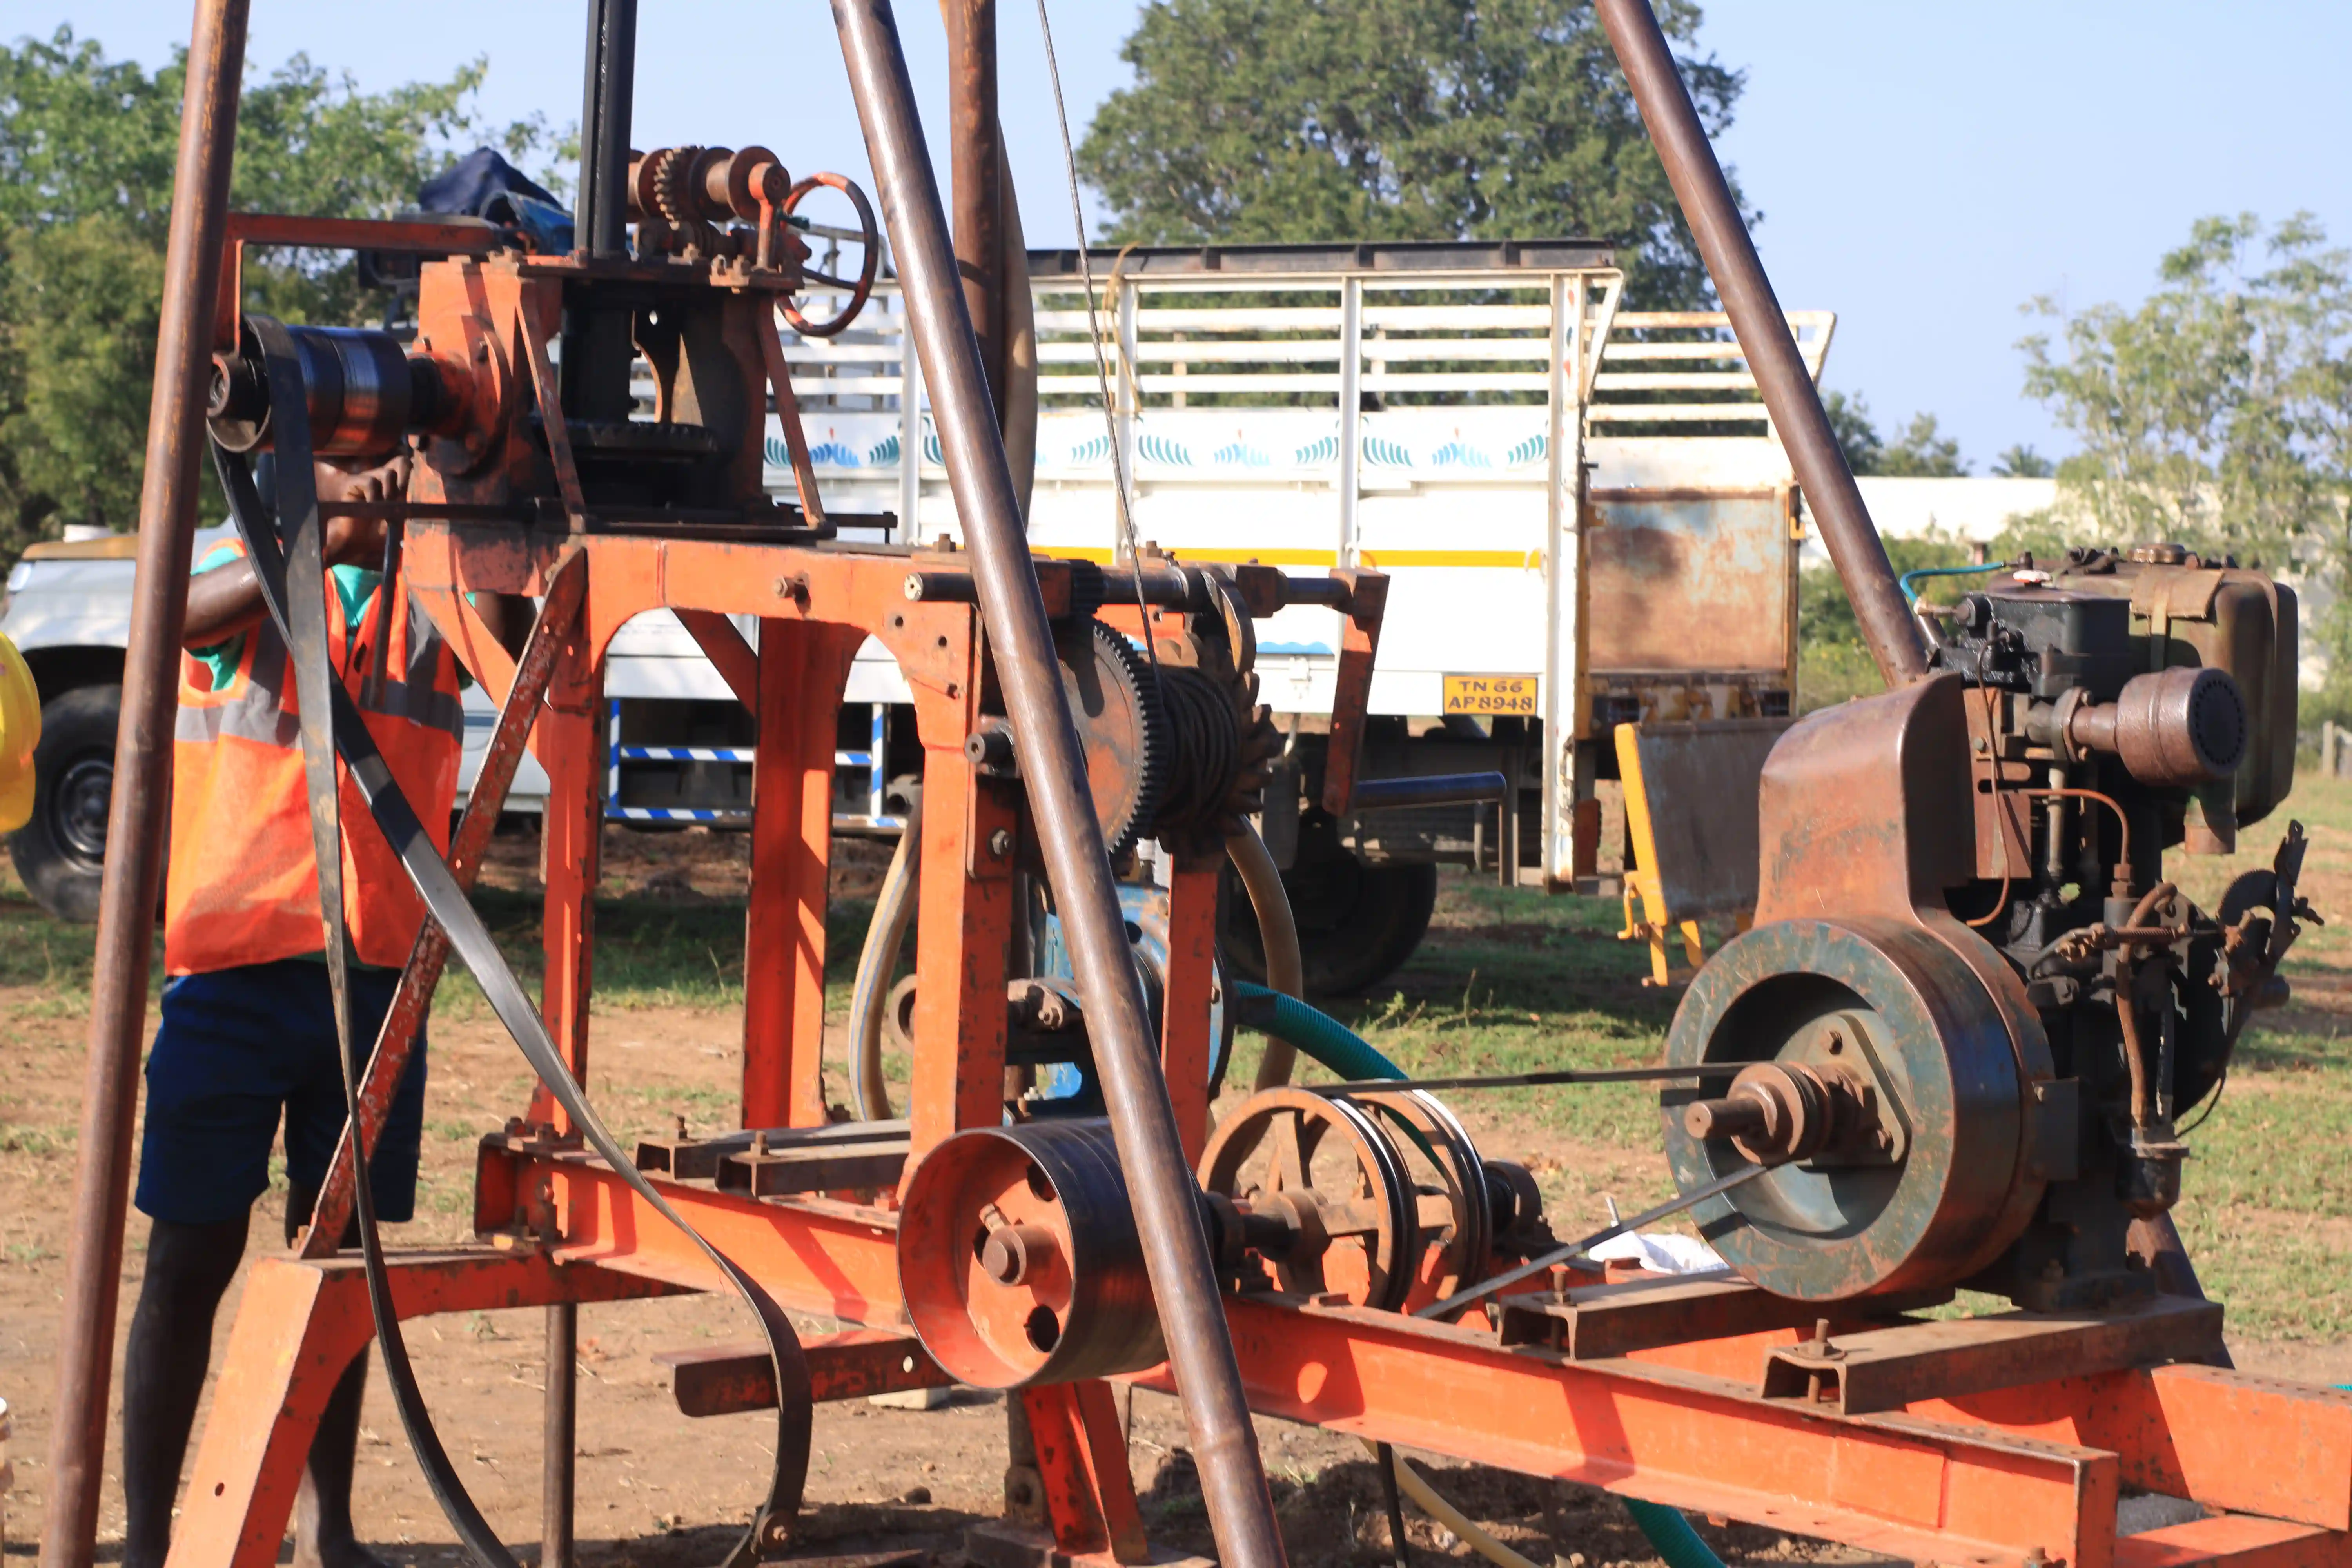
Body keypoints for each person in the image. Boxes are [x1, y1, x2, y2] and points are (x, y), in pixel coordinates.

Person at [122, 453, 513, 1568]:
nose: (371, 480)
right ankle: (150, 1541)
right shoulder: (232, 559)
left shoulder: (426, 597)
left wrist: (484, 496)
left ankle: (325, 1527)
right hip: (235, 968)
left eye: (388, 460)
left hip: (380, 975)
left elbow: (509, 646)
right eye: (346, 461)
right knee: (189, 1258)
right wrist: (308, 545)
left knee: (337, 1271)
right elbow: (171, 624)